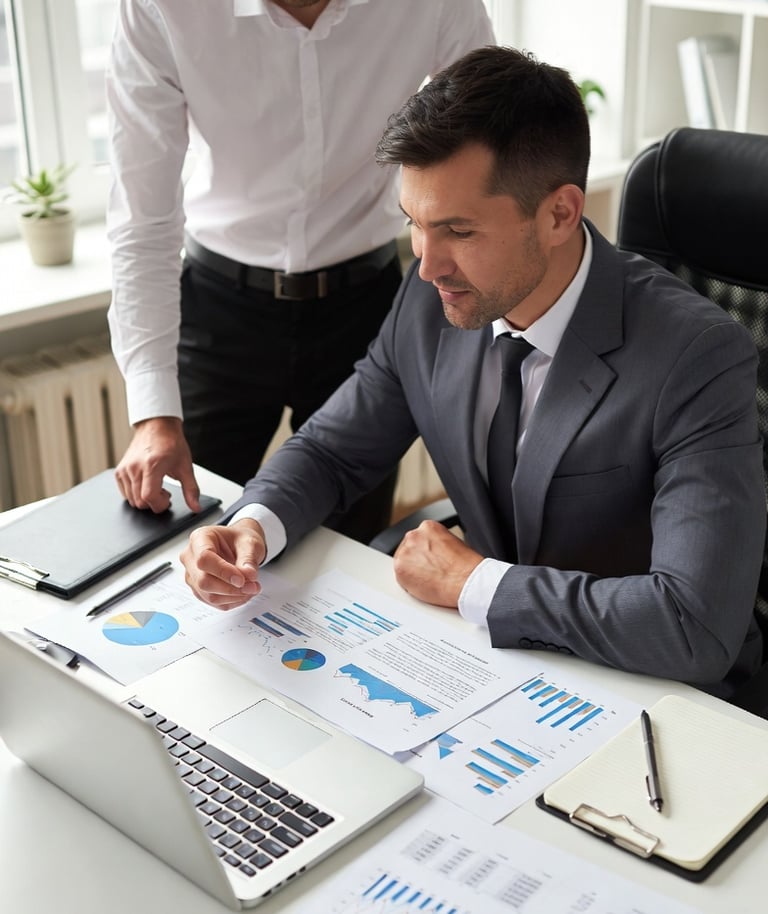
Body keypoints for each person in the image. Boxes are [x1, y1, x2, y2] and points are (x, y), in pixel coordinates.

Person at [180, 46, 766, 698]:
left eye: (457, 230)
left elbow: (695, 625)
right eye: (415, 225)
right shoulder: (430, 301)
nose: (428, 265)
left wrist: (475, 582)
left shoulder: (699, 356)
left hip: (658, 696)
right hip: (497, 668)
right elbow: (332, 451)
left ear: (559, 215)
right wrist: (250, 527)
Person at [106, 0, 495, 543]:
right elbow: (142, 221)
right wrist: (153, 416)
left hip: (365, 314)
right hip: (220, 312)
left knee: (348, 547)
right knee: (193, 537)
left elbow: (495, 130)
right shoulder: (162, 8)